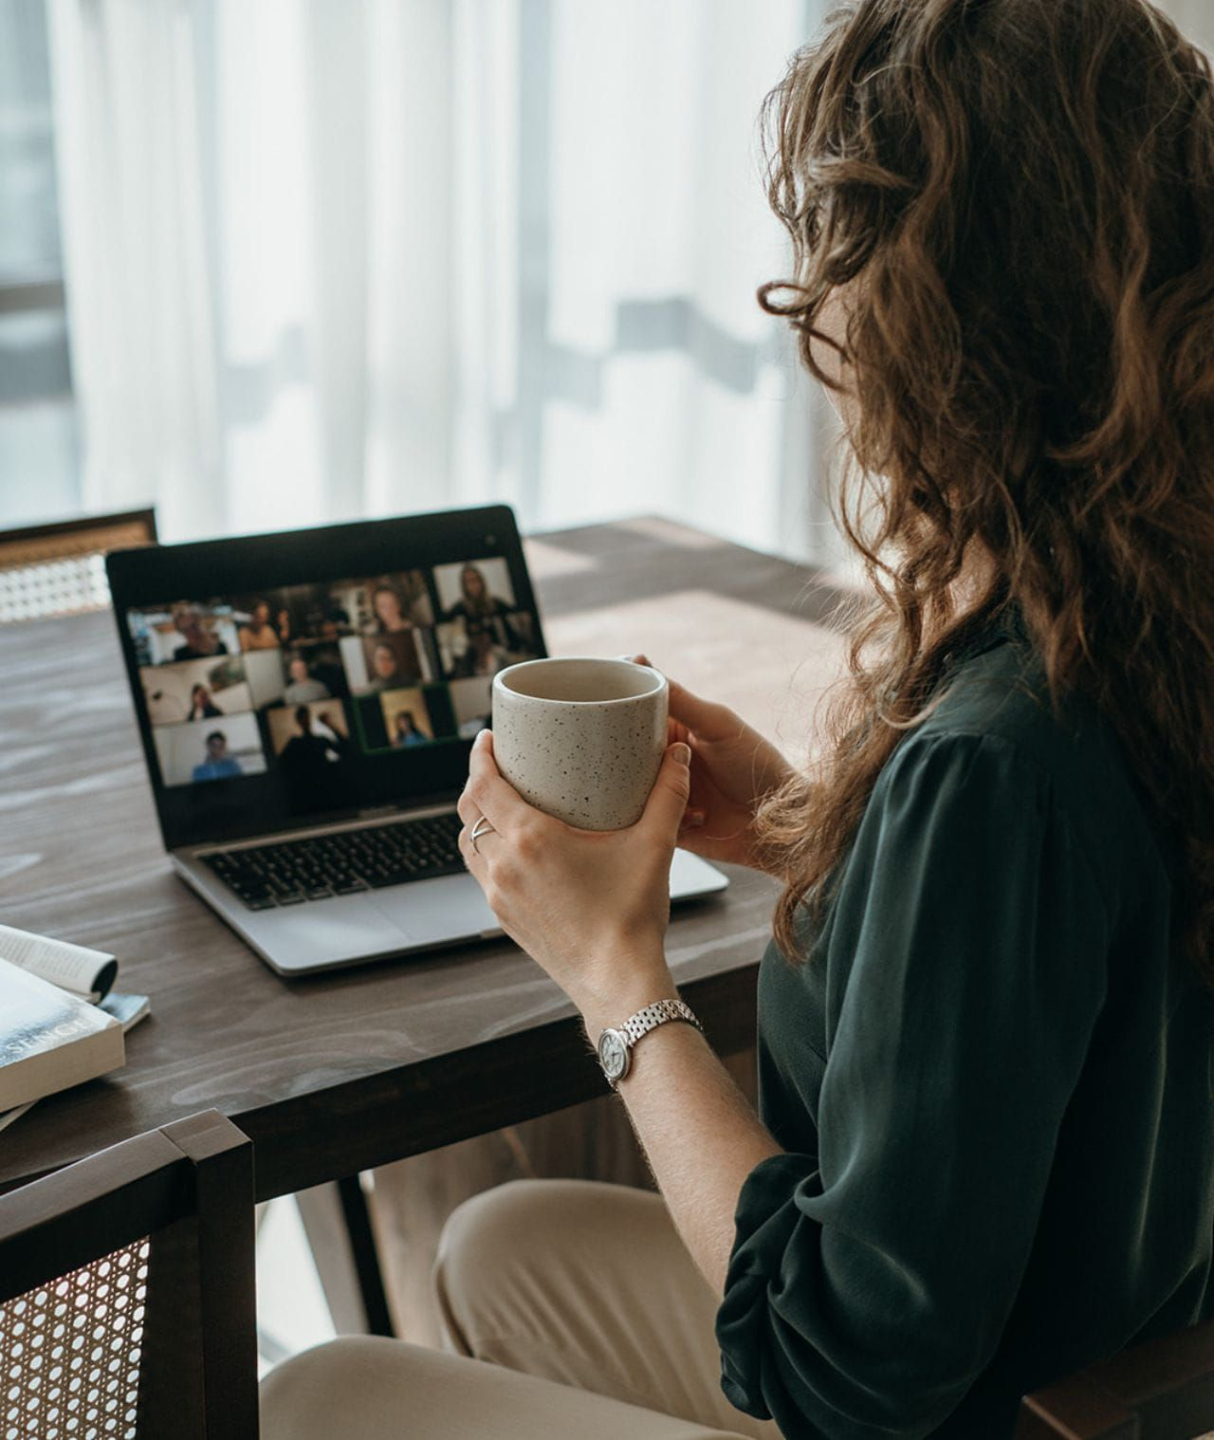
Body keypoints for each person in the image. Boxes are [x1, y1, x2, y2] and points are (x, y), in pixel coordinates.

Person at [260, 3, 1214, 1440]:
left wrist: (615, 975)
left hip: (962, 1405)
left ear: (933, 321)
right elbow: (1055, 977)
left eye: (833, 251)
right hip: (1094, 1332)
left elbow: (836, 1369)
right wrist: (810, 834)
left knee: (322, 1392)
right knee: (495, 1240)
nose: (809, 306)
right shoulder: (1149, 630)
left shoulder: (993, 761)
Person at [278, 706, 351, 807]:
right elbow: (281, 764)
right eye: (303, 718)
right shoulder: (295, 743)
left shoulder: (320, 740)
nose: (306, 721)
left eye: (307, 717)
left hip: (326, 787)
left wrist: (330, 725)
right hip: (308, 791)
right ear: (298, 721)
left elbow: (345, 749)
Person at [441, 563, 523, 650]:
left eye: (476, 580)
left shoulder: (496, 603)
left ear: (482, 581)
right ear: (464, 586)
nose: (474, 585)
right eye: (469, 581)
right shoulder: (459, 608)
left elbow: (512, 633)